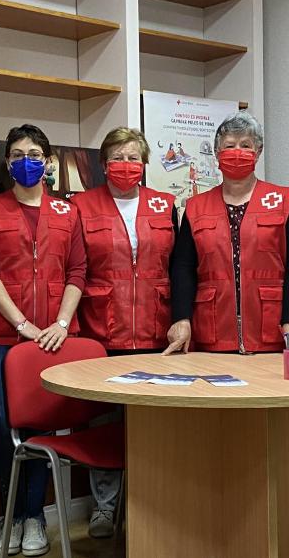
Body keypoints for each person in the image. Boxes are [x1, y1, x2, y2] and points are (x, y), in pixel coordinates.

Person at [0, 124, 87, 557]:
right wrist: (22, 323)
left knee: (43, 430)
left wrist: (61, 323)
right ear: (8, 162)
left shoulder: (68, 212)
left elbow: (78, 271)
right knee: (7, 430)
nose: (28, 160)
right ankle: (17, 515)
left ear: (48, 161)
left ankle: (36, 517)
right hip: (6, 337)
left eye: (36, 153)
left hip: (55, 339)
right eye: (19, 153)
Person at [71, 127, 177, 539]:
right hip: (102, 331)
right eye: (117, 157)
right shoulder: (80, 206)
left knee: (155, 423)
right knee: (104, 423)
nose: (126, 165)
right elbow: (74, 268)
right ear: (103, 163)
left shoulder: (165, 205)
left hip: (157, 331)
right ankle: (104, 506)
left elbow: (180, 267)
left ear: (146, 163)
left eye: (134, 157)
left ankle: (154, 501)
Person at [165, 111, 289, 355]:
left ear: (258, 151)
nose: (237, 151)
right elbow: (183, 267)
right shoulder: (195, 207)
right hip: (212, 330)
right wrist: (181, 317)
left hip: (272, 329)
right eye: (229, 145)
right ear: (217, 153)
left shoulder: (284, 201)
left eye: (246, 145)